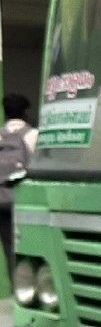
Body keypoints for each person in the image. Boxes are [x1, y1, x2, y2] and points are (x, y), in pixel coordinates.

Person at [0, 94, 38, 277]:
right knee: (30, 246)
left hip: (1, 201)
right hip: (25, 201)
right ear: (25, 112)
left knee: (9, 248)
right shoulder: (33, 135)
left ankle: (16, 288)